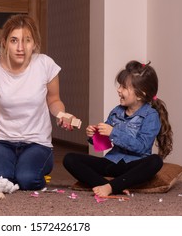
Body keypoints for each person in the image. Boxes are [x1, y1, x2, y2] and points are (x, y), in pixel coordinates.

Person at [0, 14, 77, 190]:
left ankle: (24, 170)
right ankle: (10, 168)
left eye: (27, 40)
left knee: (27, 179)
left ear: (34, 43)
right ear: (4, 42)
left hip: (37, 142)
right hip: (1, 141)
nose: (20, 47)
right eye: (14, 40)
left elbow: (54, 100)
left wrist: (62, 115)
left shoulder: (45, 64)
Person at [63, 60, 173, 197]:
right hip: (112, 161)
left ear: (140, 94)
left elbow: (142, 146)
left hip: (133, 165)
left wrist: (113, 132)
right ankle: (111, 186)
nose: (119, 90)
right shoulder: (117, 111)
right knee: (70, 159)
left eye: (124, 87)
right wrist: (93, 135)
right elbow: (103, 144)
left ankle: (111, 186)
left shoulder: (151, 116)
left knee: (155, 161)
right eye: (119, 85)